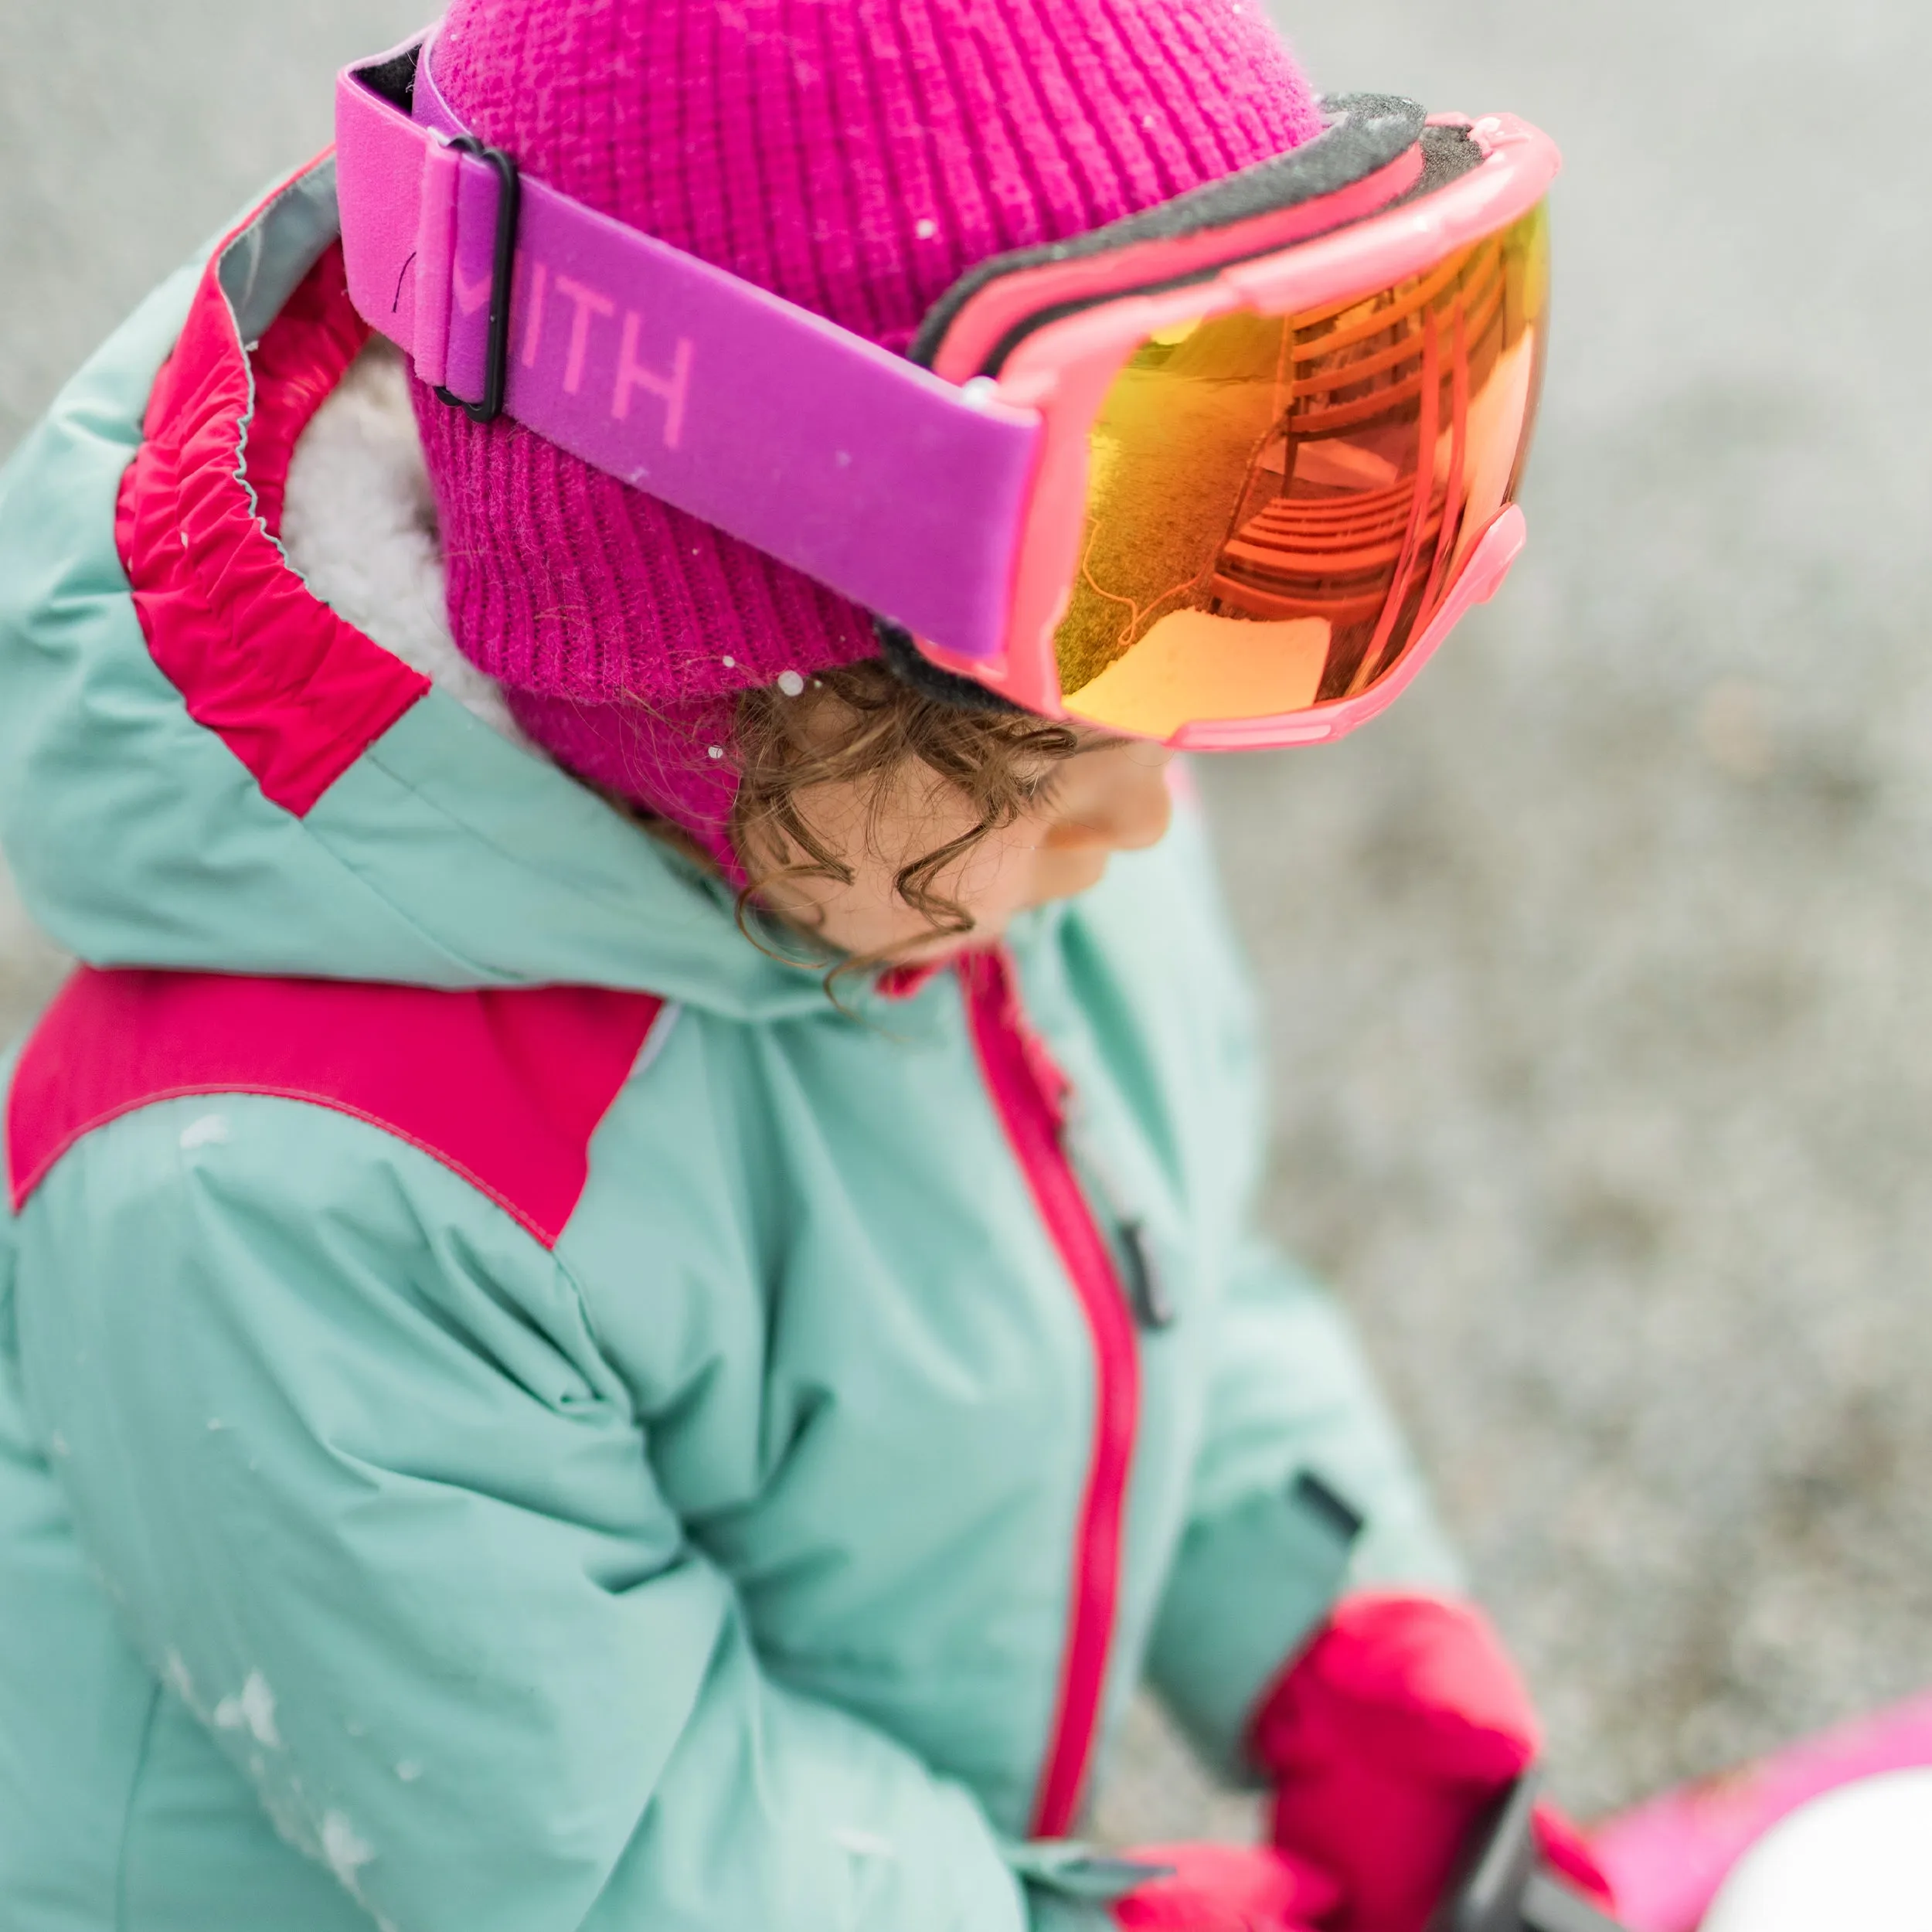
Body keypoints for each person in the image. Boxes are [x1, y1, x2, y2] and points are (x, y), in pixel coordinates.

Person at [0, 2, 1603, 1927]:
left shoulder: (967, 840)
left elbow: (1146, 1249)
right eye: (1046, 746)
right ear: (699, 684)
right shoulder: (286, 1188)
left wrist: (1346, 1645)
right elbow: (632, 1850)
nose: (1144, 822)